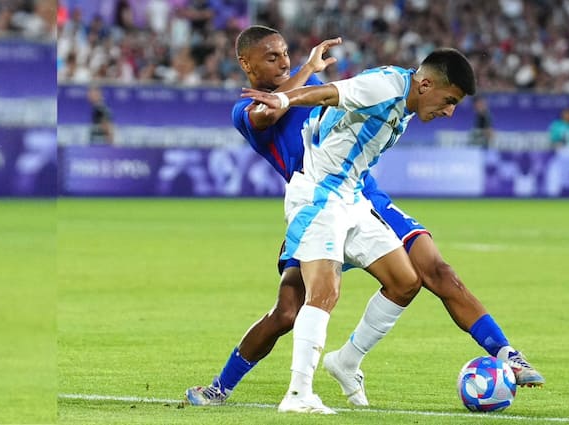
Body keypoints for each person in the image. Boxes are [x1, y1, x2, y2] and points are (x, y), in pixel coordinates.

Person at [186, 25, 543, 411]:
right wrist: (302, 77)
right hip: (317, 194)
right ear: (246, 63)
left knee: (424, 273)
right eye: (272, 56)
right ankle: (231, 387)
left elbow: (348, 94)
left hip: (358, 193)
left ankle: (494, 351)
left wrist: (304, 77)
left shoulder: (391, 93)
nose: (283, 61)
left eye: (286, 53)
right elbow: (271, 111)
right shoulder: (248, 108)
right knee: (288, 309)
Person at [242, 45, 477, 414]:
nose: (449, 112)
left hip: (351, 198)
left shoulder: (408, 101)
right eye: (448, 101)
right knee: (322, 292)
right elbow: (329, 93)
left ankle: (346, 361)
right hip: (319, 194)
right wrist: (284, 100)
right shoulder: (384, 86)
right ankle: (298, 394)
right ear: (426, 83)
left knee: (405, 280)